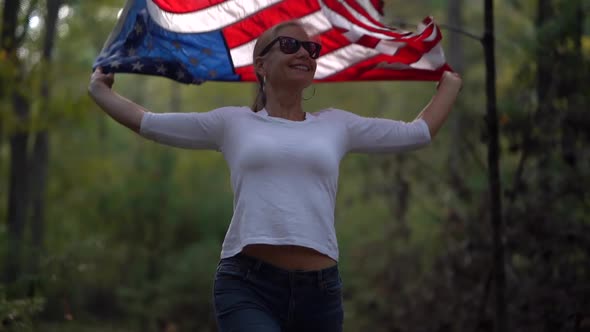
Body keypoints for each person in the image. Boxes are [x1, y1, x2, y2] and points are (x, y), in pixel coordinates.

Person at [89, 20, 462, 332]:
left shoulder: (337, 125)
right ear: (262, 65)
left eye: (310, 49)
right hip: (248, 286)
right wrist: (100, 92)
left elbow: (418, 133)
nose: (304, 53)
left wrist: (449, 84)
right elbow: (150, 124)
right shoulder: (233, 123)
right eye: (290, 44)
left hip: (321, 294)